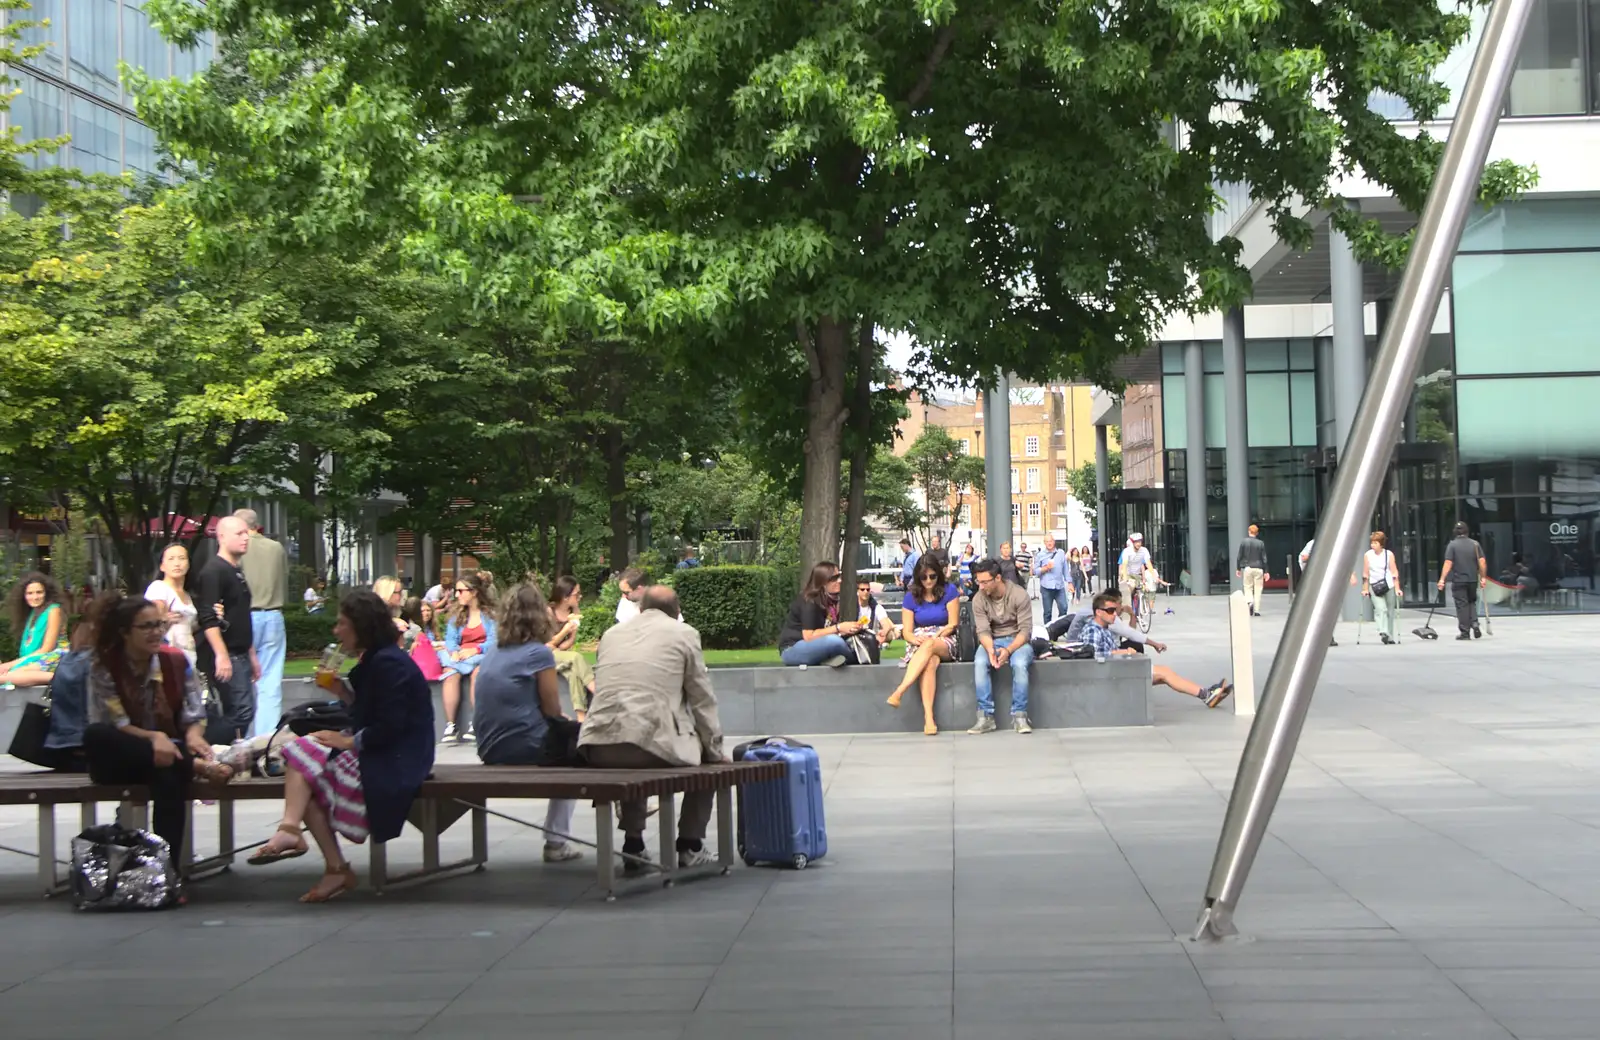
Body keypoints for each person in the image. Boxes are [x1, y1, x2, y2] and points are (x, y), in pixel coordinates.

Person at [247, 589, 435, 901]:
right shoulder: (377, 659)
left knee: (302, 757)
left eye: (341, 623)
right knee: (303, 767)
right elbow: (369, 712)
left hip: (398, 760)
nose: (336, 631)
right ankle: (324, 860)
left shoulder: (389, 663)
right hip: (387, 751)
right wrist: (343, 693)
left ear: (361, 626)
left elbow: (390, 726)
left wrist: (347, 741)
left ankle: (297, 837)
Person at [580, 587, 726, 874]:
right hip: (647, 745)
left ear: (641, 608)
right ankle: (690, 844)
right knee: (706, 759)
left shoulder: (611, 634)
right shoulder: (684, 634)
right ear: (676, 610)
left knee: (633, 737)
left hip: (598, 745)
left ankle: (633, 844)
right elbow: (701, 699)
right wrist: (715, 749)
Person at [84, 593, 231, 863]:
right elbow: (118, 723)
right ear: (125, 633)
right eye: (146, 627)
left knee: (168, 775)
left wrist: (193, 735)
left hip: (167, 757)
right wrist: (155, 737)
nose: (156, 633)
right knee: (96, 734)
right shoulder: (104, 665)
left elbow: (194, 711)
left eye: (159, 624)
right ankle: (195, 766)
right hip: (121, 757)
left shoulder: (174, 661)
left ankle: (168, 869)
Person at [472, 582, 582, 863]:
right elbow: (553, 711)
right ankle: (557, 842)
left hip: (489, 748)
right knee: (582, 744)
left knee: (569, 739)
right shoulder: (538, 653)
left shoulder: (493, 653)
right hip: (526, 746)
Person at [1081, 592, 1233, 708]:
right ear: (1098, 612)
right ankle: (1206, 694)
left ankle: (1205, 694)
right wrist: (1122, 652)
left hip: (1116, 670)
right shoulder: (1093, 630)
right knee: (1164, 673)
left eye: (1115, 610)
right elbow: (1093, 656)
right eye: (1110, 611)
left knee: (1163, 674)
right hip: (1111, 675)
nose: (1114, 614)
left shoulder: (1104, 628)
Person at [194, 516, 260, 741]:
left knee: (244, 710)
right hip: (228, 652)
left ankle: (225, 752)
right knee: (241, 711)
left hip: (240, 651)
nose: (245, 538)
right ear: (221, 537)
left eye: (246, 533)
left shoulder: (235, 570)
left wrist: (251, 655)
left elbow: (240, 615)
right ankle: (204, 744)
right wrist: (222, 656)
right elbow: (208, 618)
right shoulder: (214, 571)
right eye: (238, 533)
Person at [885, 557, 960, 735]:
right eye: (924, 577)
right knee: (930, 662)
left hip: (945, 637)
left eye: (932, 576)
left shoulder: (949, 591)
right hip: (919, 640)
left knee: (929, 645)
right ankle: (929, 718)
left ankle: (900, 690)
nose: (928, 581)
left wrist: (935, 636)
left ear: (939, 575)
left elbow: (953, 624)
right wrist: (914, 639)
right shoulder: (911, 597)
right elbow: (907, 631)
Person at [236, 509, 289, 739]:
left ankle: (247, 738)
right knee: (270, 681)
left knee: (244, 679)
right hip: (273, 615)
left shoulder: (239, 549)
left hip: (245, 616)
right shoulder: (276, 548)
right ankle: (266, 739)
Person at [968, 558, 1035, 735]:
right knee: (980, 662)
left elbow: (1025, 631)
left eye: (984, 582)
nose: (981, 586)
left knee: (1019, 664)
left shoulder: (1019, 595)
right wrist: (991, 650)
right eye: (978, 581)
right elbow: (982, 631)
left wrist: (1008, 650)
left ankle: (1020, 716)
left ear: (998, 578)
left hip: (1017, 640)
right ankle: (985, 717)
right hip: (992, 639)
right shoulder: (978, 599)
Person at [438, 570, 497, 743]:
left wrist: (476, 650)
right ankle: (451, 726)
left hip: (483, 655)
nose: (457, 595)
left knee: (478, 674)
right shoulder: (456, 615)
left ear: (474, 592)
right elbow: (450, 639)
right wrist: (454, 651)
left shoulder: (490, 615)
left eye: (461, 591)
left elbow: (494, 640)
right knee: (450, 674)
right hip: (461, 657)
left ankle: (475, 722)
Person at [778, 562, 865, 667]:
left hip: (815, 646)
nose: (840, 581)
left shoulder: (831, 601)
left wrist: (849, 629)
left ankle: (830, 658)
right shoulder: (809, 601)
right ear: (823, 582)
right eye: (835, 578)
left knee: (844, 640)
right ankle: (857, 658)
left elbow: (825, 632)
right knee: (834, 641)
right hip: (792, 649)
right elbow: (809, 636)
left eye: (839, 576)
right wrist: (839, 627)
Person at [0, 572, 68, 688]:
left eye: (39, 592)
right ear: (24, 595)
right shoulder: (32, 614)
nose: (35, 597)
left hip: (55, 657)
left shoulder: (54, 610)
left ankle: (63, 678)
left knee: (5, 676)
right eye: (30, 593)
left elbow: (47, 648)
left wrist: (10, 665)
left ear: (46, 593)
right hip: (38, 659)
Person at [547, 575, 598, 721]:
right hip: (544, 654)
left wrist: (571, 633)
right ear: (565, 597)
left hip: (560, 653)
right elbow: (547, 645)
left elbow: (569, 643)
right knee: (576, 657)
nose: (580, 597)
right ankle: (599, 694)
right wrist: (565, 630)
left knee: (574, 672)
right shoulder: (549, 612)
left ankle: (580, 717)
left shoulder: (574, 613)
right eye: (576, 594)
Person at [144, 544, 200, 669]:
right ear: (162, 566)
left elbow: (191, 626)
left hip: (188, 655)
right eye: (171, 559)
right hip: (167, 656)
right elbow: (153, 621)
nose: (177, 563)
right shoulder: (159, 588)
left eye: (181, 558)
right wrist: (164, 620)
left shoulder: (188, 594)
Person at [1437, 521, 1486, 641]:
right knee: (1471, 602)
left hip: (1459, 580)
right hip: (1472, 579)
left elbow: (1448, 563)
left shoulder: (1452, 545)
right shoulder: (1475, 544)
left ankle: (1465, 632)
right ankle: (1474, 623)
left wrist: (1442, 580)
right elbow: (1482, 562)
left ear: (1455, 532)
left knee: (1462, 606)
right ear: (1467, 531)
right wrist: (1483, 577)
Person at [1362, 531, 1402, 645]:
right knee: (1381, 609)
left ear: (1381, 543)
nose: (1373, 545)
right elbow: (1365, 573)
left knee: (1390, 611)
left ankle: (1389, 636)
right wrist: (1365, 588)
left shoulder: (1388, 554)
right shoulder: (1368, 555)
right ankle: (1383, 631)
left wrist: (1397, 588)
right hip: (1374, 586)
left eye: (1375, 543)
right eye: (1372, 543)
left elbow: (1394, 572)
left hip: (1388, 585)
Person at [1033, 534, 1070, 626]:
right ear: (1044, 543)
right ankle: (1048, 631)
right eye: (1047, 541)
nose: (1049, 543)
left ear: (1054, 542)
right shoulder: (1040, 555)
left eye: (1051, 541)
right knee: (1047, 612)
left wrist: (1070, 582)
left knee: (1064, 608)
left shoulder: (1060, 553)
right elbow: (1035, 571)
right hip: (1046, 587)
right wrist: (1045, 568)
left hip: (1059, 586)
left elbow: (1065, 569)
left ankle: (1059, 628)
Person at [1235, 523, 1269, 617]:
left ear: (1249, 531)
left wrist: (1238, 568)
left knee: (1248, 587)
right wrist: (1266, 571)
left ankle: (1249, 601)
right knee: (1258, 589)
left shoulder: (1244, 542)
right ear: (1257, 533)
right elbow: (1264, 558)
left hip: (1248, 568)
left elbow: (1239, 556)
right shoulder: (1260, 543)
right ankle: (1257, 610)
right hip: (1259, 568)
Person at [855, 577, 898, 646]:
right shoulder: (852, 607)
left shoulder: (877, 607)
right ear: (857, 591)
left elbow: (885, 624)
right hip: (856, 635)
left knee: (889, 633)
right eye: (862, 590)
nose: (865, 592)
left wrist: (884, 632)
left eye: (868, 589)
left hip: (872, 636)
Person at [1118, 532, 1153, 610]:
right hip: (1127, 573)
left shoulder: (1142, 552)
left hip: (1137, 574)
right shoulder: (1125, 552)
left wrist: (1144, 578)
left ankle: (1142, 608)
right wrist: (1121, 577)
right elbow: (1122, 566)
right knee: (1130, 588)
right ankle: (1128, 608)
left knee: (1143, 588)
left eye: (1140, 542)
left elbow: (1143, 566)